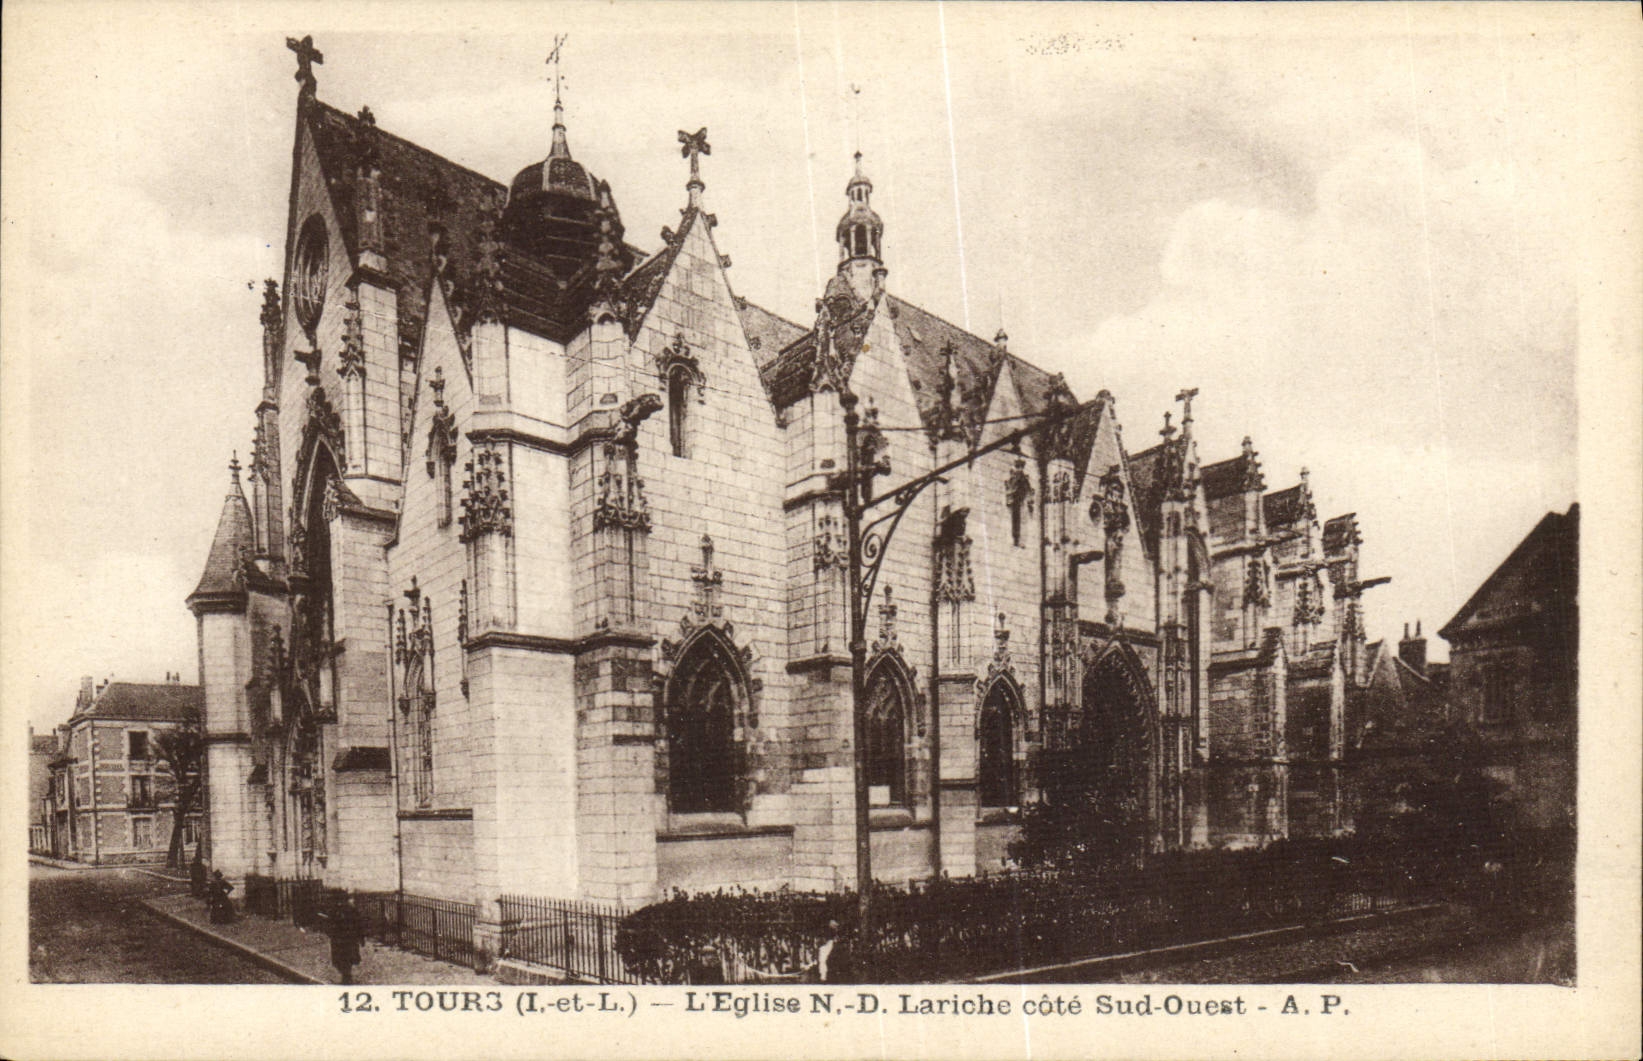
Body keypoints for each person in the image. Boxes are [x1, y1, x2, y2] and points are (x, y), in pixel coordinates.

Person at [321, 897, 364, 985]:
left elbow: (358, 923)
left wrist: (360, 937)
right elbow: (331, 922)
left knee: (346, 957)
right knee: (343, 958)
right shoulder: (337, 909)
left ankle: (346, 976)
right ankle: (346, 975)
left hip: (346, 938)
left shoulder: (350, 909)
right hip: (341, 938)